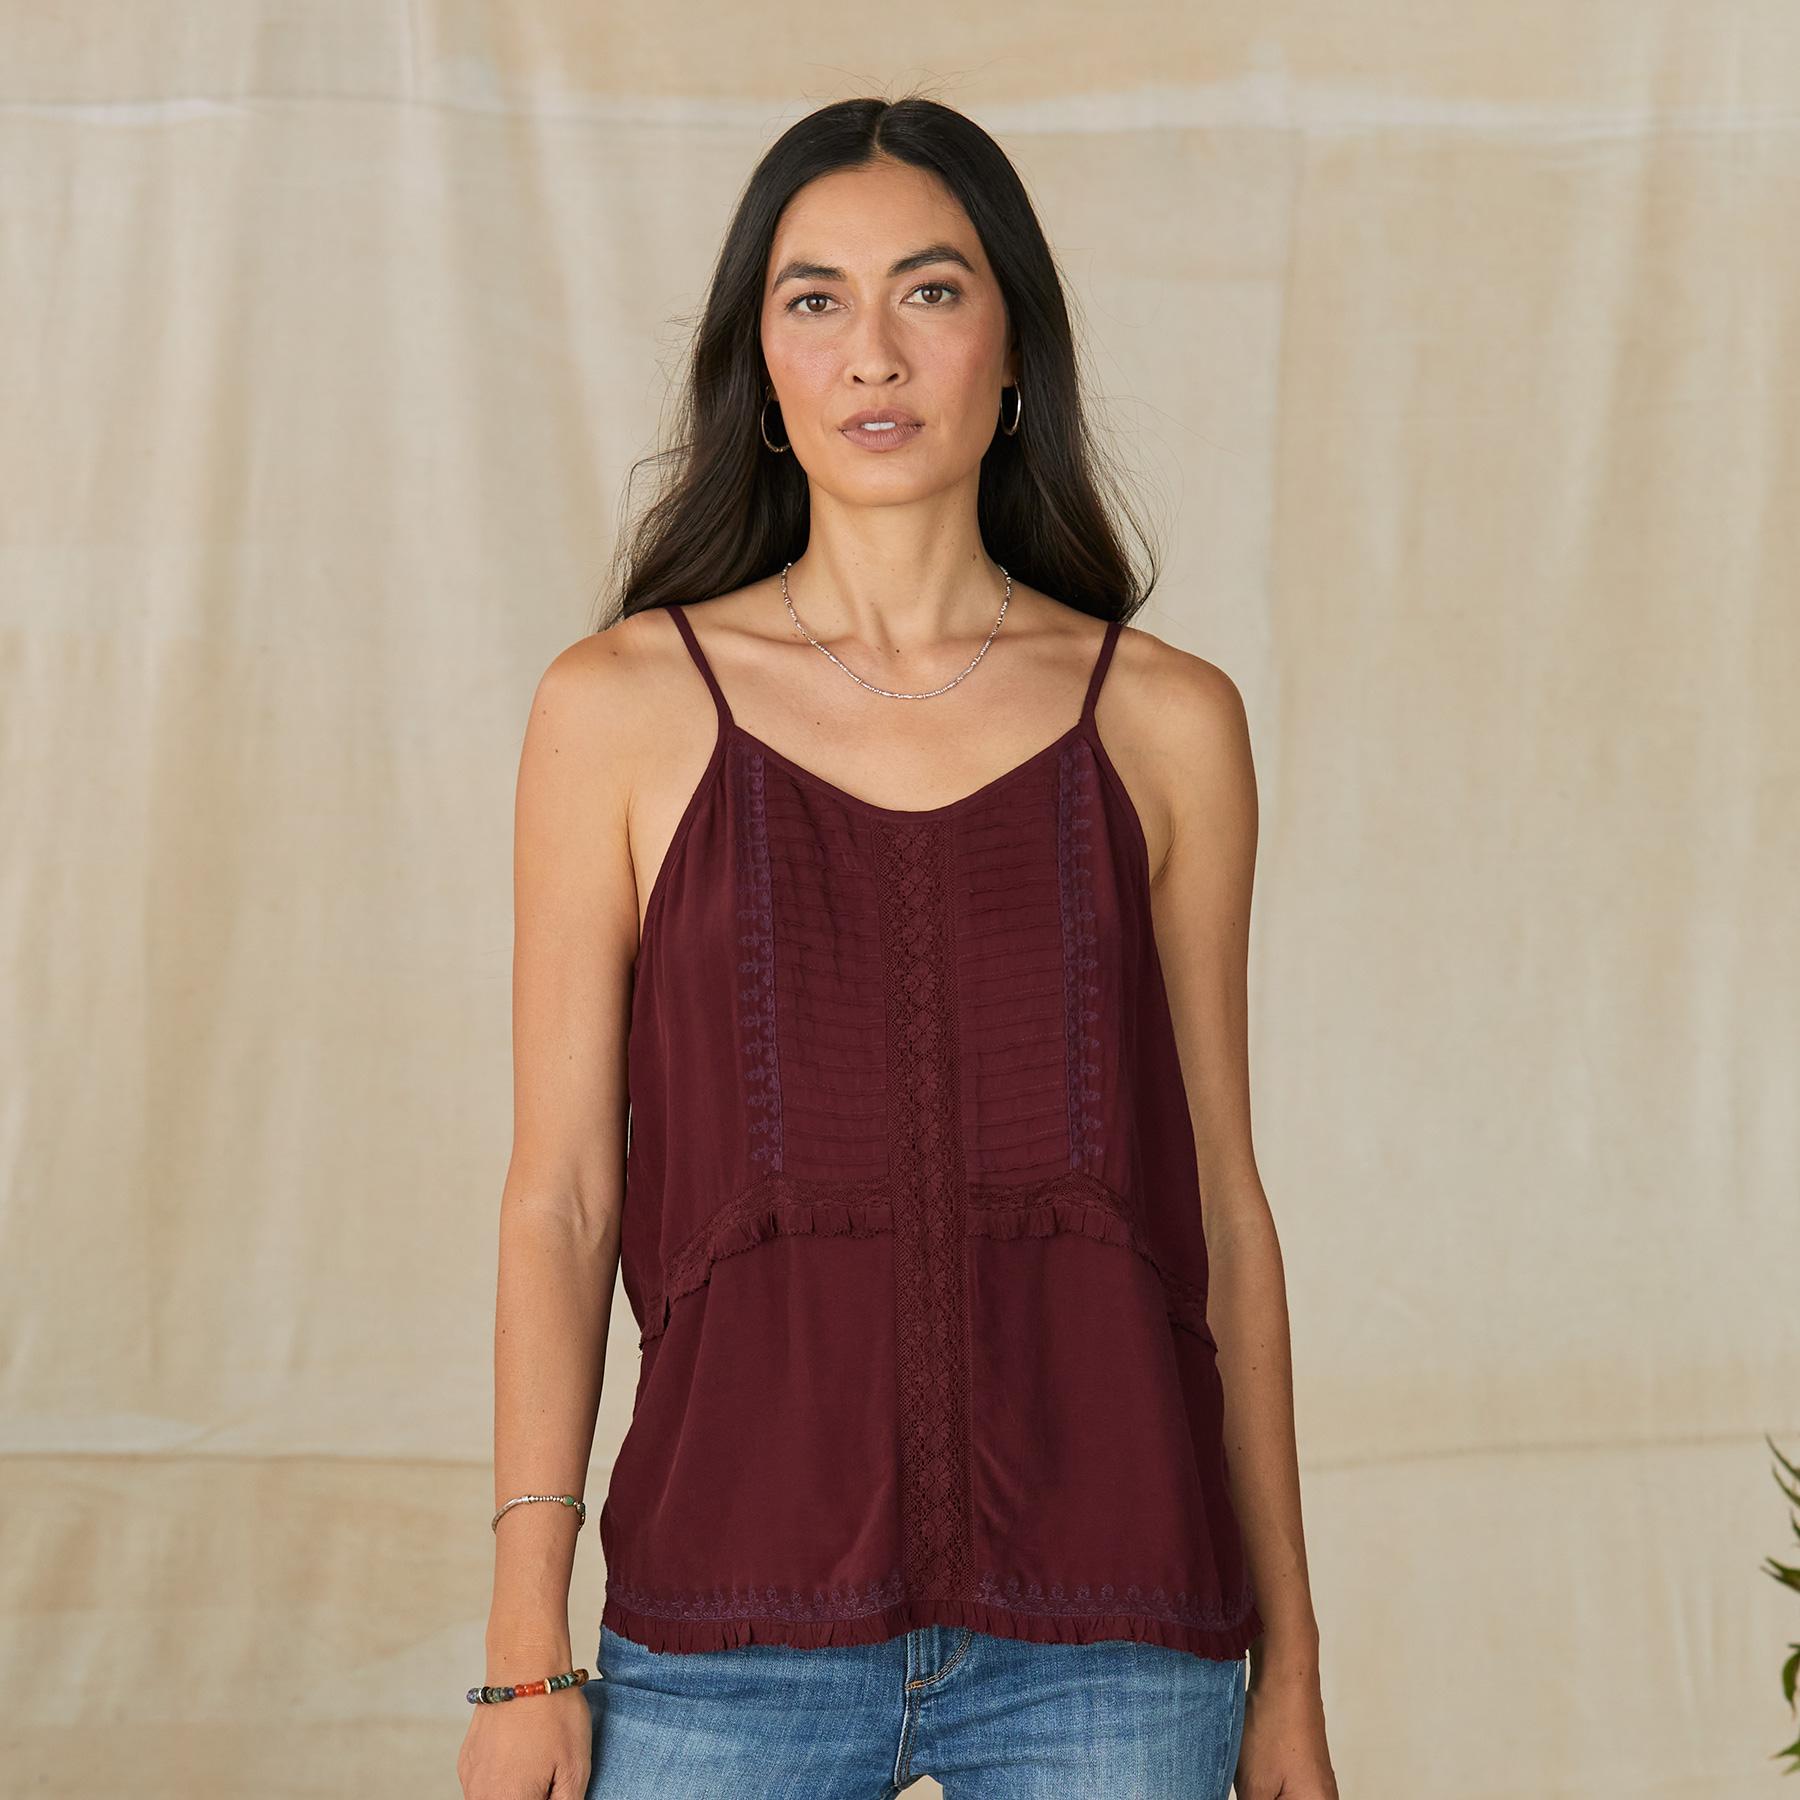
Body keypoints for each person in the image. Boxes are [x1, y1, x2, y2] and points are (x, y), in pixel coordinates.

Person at [459, 93, 1338, 1800]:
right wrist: (523, 1647)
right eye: (817, 300)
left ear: (1012, 355)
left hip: (1118, 1637)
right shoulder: (620, 707)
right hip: (725, 1626)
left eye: (930, 291)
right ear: (761, 371)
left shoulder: (1165, 723)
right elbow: (560, 1197)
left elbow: (1224, 1211)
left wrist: (1290, 1666)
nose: (874, 351)